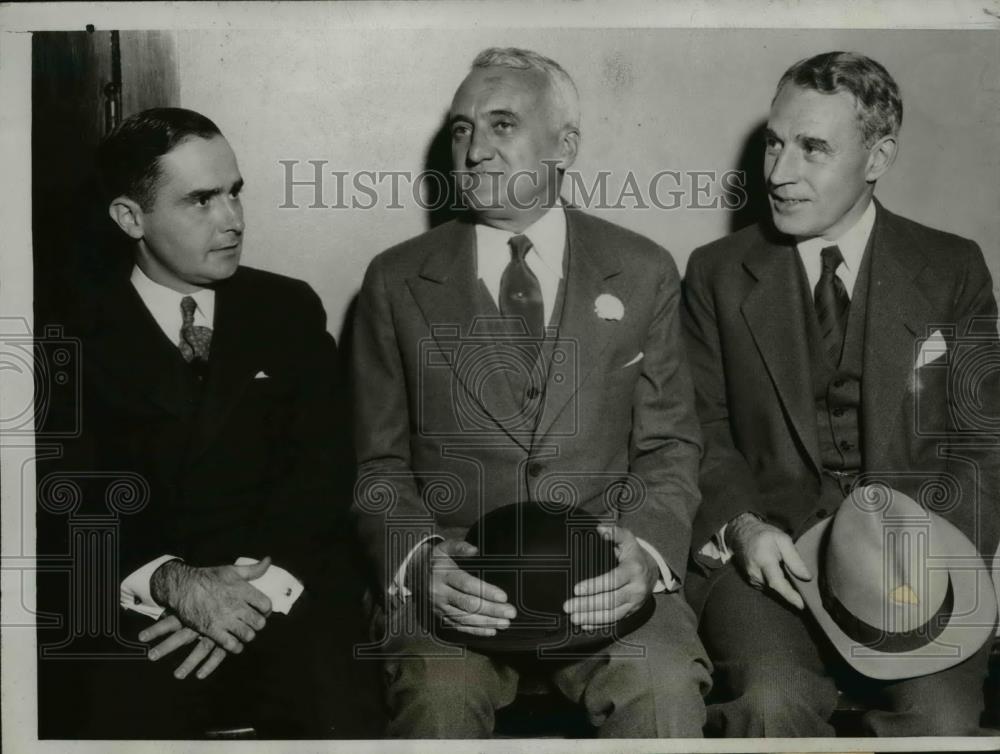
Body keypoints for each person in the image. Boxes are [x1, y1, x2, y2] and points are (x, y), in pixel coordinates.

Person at [351, 47, 711, 738]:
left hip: (604, 574)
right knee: (439, 700)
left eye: (502, 124)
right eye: (461, 129)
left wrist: (647, 553)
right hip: (461, 581)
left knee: (662, 688)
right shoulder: (396, 282)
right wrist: (421, 560)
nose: (476, 150)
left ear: (564, 145)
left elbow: (669, 446)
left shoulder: (642, 270)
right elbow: (377, 466)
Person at [682, 51, 1000, 736]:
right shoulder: (716, 274)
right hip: (768, 568)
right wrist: (743, 527)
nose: (778, 173)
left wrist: (931, 563)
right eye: (774, 143)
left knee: (942, 720)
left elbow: (984, 442)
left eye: (813, 148)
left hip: (914, 566)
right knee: (769, 703)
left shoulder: (952, 269)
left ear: (878, 156)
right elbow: (700, 429)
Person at [36, 107, 376, 738]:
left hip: (279, 589)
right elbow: (62, 494)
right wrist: (168, 580)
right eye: (200, 200)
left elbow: (324, 470)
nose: (233, 220)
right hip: (139, 601)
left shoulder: (286, 307)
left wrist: (253, 599)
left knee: (339, 709)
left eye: (234, 192)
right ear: (129, 217)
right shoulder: (65, 329)